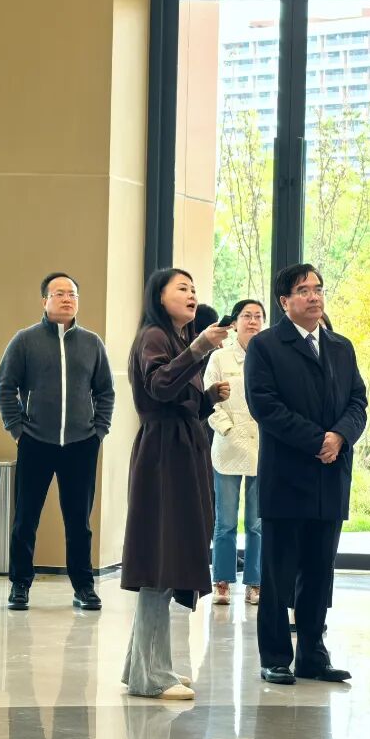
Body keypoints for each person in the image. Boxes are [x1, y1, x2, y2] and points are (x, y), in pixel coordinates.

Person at [245, 263, 367, 686]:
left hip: (331, 477)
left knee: (319, 572)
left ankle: (313, 654)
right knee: (278, 575)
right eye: (303, 290)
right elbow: (265, 406)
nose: (314, 296)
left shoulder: (340, 346)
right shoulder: (265, 346)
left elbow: (358, 401)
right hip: (287, 476)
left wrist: (340, 437)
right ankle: (276, 656)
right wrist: (318, 440)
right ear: (285, 301)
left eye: (318, 288)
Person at [120, 268, 230, 700]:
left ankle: (141, 667)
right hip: (163, 453)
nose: (191, 294)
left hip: (179, 449)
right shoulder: (154, 335)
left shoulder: (175, 339)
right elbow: (160, 386)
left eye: (193, 288)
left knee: (164, 558)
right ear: (159, 296)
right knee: (159, 561)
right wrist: (200, 347)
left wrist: (208, 398)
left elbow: (179, 399)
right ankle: (152, 675)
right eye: (182, 288)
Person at [0, 272, 115, 612]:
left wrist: (99, 431)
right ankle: (20, 585)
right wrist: (17, 429)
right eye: (59, 293)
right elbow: (4, 387)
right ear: (44, 300)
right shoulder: (25, 340)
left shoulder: (92, 343)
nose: (67, 299)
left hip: (81, 444)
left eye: (72, 294)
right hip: (35, 442)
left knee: (79, 522)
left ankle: (84, 586)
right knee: (25, 519)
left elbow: (105, 391)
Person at [204, 299, 265, 607]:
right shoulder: (219, 357)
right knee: (225, 522)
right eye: (246, 316)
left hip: (261, 447)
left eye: (258, 317)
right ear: (236, 322)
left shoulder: (269, 356)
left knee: (257, 523)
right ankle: (222, 581)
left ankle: (255, 582)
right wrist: (227, 428)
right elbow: (208, 399)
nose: (252, 321)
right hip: (228, 446)